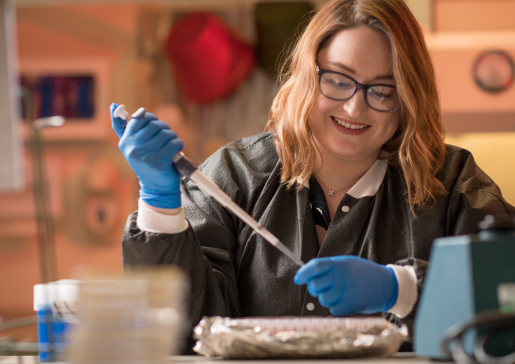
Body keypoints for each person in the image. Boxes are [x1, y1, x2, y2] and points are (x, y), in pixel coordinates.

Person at [110, 0, 515, 353]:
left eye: (383, 90)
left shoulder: (453, 183)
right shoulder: (237, 175)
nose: (356, 109)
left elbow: (505, 291)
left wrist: (402, 288)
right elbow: (180, 330)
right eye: (338, 80)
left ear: (409, 96)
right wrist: (159, 204)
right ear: (307, 76)